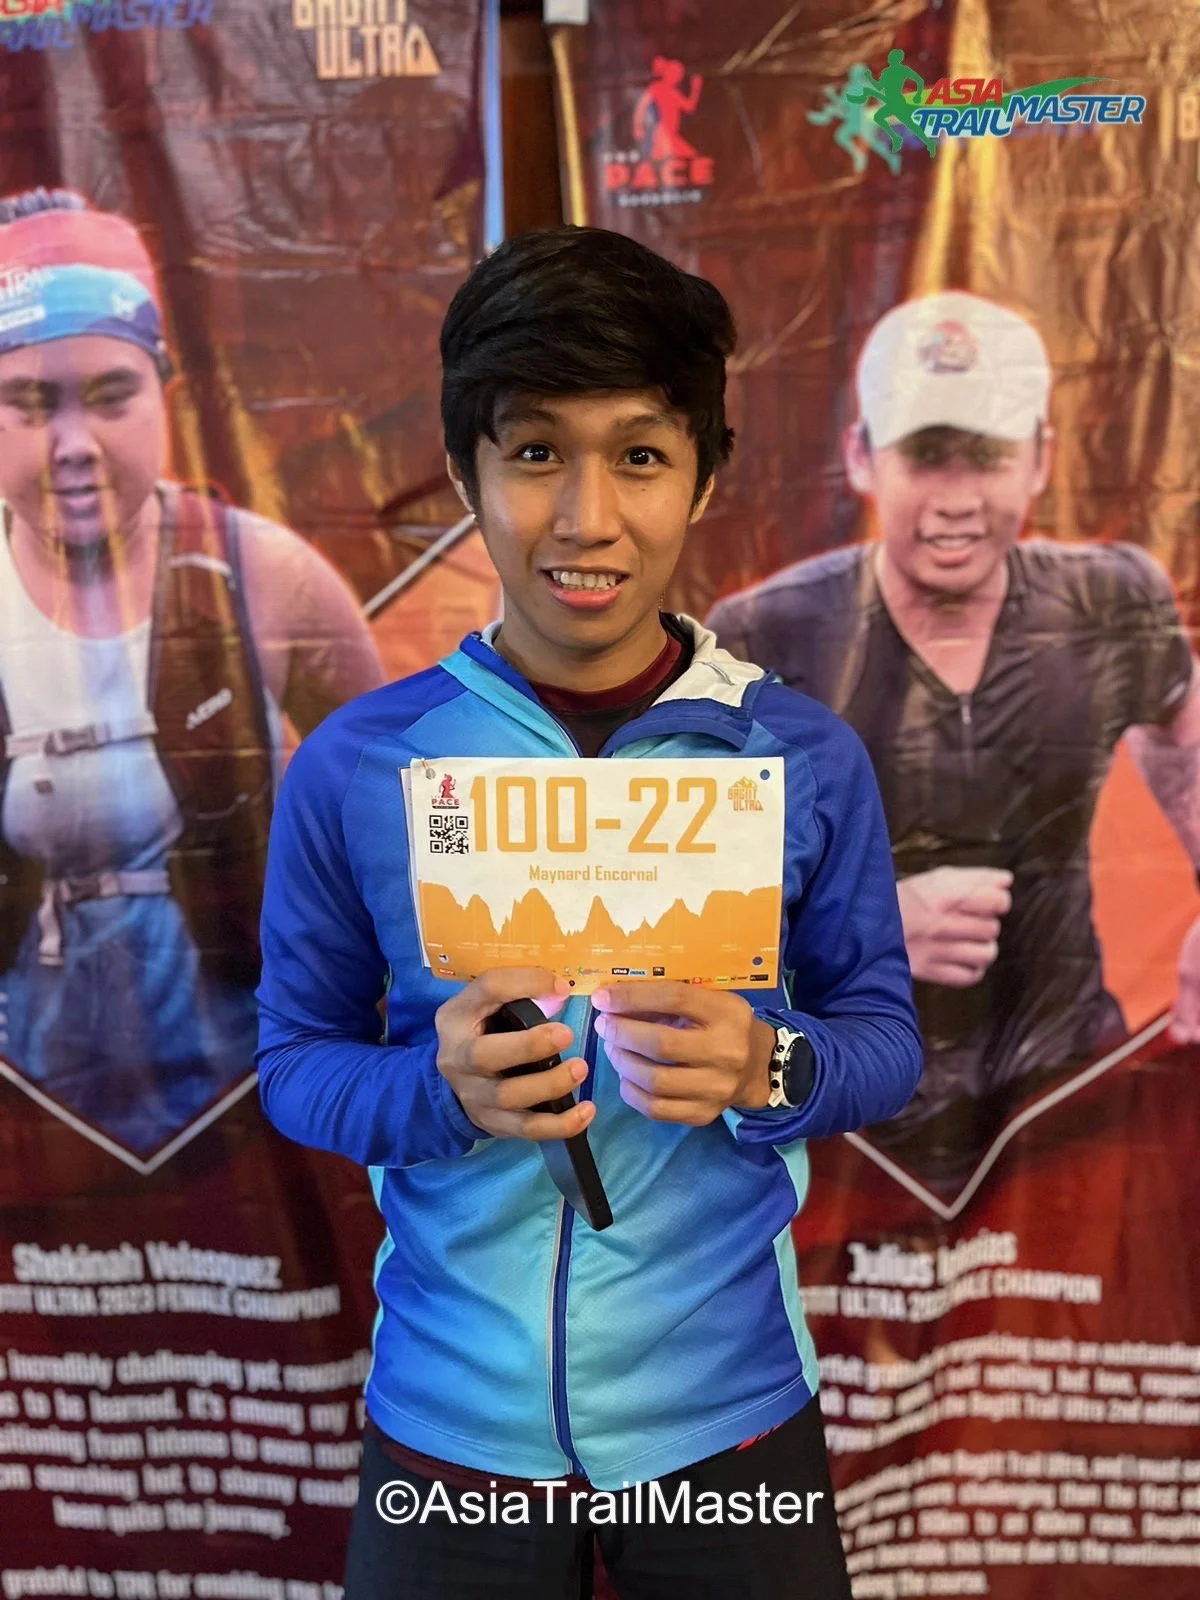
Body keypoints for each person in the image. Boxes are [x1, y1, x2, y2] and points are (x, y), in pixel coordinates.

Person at [256, 225, 922, 1598]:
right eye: (534, 452)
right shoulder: (361, 764)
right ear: (466, 472)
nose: (585, 519)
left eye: (640, 456)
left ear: (705, 475)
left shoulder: (799, 756)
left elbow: (885, 1039)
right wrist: (436, 1093)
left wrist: (768, 1064)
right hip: (452, 1424)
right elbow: (295, 1063)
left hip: (727, 1415)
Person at [708, 289, 1200, 1183]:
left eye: (989, 456)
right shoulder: (763, 634)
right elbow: (687, 894)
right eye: (927, 456)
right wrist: (875, 924)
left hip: (1063, 1091)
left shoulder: (1110, 599)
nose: (958, 499)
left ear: (1040, 458)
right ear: (862, 457)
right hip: (845, 1106)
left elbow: (1186, 742)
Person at [0, 188, 384, 1159]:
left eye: (110, 395)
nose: (74, 446)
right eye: (31, 404)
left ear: (164, 392)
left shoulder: (264, 572)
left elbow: (408, 812)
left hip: (249, 1093)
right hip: (31, 1105)